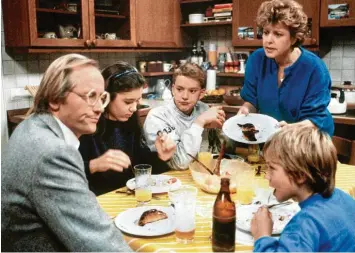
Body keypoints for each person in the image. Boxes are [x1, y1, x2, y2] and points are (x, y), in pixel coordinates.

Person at [1, 54, 132, 252]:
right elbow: (99, 244)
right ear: (55, 99)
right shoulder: (53, 152)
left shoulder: (31, 125)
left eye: (102, 97)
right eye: (90, 96)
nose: (98, 108)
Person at [251, 125, 355, 252]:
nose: (267, 176)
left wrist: (262, 236)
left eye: (272, 168)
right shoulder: (343, 197)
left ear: (300, 175)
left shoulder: (303, 224)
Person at [79, 61, 176, 195]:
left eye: (137, 101)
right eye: (128, 102)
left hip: (127, 197)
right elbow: (62, 176)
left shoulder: (130, 122)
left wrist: (160, 157)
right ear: (105, 97)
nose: (134, 108)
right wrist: (93, 165)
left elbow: (141, 171)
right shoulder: (86, 127)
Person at [239, 0, 334, 136]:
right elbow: (251, 101)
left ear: (294, 38)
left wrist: (291, 129)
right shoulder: (257, 59)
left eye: (278, 34)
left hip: (309, 141)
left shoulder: (315, 68)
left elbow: (315, 120)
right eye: (266, 32)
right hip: (273, 138)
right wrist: (246, 110)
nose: (268, 40)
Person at [143, 63, 226, 170]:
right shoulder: (157, 117)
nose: (185, 97)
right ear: (173, 89)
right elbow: (179, 163)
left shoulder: (203, 109)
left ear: (201, 94)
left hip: (200, 175)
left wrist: (220, 130)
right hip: (168, 179)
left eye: (192, 91)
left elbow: (218, 152)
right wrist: (199, 123)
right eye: (180, 89)